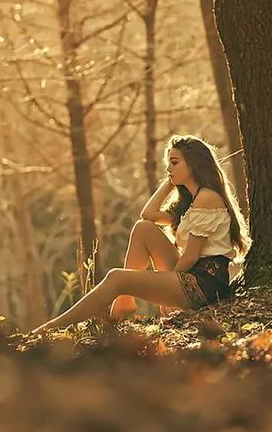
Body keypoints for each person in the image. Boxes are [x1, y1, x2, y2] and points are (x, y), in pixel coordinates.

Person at [31, 135, 249, 335]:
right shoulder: (191, 200)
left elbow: (191, 256)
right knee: (143, 227)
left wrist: (166, 284)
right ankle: (124, 302)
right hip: (191, 274)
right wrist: (169, 182)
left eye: (175, 163)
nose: (169, 168)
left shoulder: (207, 198)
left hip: (205, 284)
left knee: (117, 277)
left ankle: (50, 329)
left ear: (193, 164)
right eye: (168, 164)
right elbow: (149, 215)